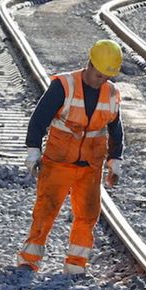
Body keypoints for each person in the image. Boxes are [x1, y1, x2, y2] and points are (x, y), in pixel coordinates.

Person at [17, 39, 125, 276]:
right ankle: (29, 260)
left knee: (87, 215)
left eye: (106, 77)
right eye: (99, 75)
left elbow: (115, 128)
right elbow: (39, 119)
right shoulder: (64, 86)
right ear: (89, 64)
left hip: (90, 166)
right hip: (58, 162)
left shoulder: (110, 93)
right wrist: (33, 150)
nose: (101, 81)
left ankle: (76, 264)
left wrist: (114, 160)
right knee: (45, 210)